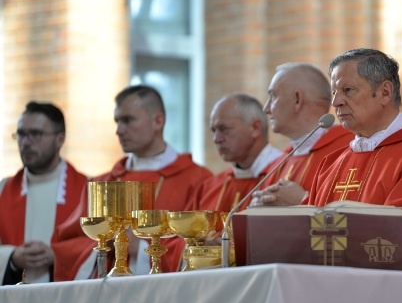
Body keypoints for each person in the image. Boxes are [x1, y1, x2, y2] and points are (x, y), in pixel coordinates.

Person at [255, 48, 402, 275]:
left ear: (385, 92)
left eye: (347, 90)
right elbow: (308, 237)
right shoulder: (334, 164)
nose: (336, 101)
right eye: (334, 92)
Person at [52, 85, 212, 280]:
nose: (119, 130)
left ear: (158, 121)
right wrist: (105, 243)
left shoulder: (198, 180)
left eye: (128, 120)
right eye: (117, 121)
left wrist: (142, 247)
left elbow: (206, 246)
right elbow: (67, 246)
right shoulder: (101, 184)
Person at [0, 102, 88, 285]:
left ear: (60, 139)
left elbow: (100, 247)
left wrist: (60, 256)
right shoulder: (3, 189)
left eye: (36, 134)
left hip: (68, 301)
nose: (25, 142)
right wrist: (12, 257)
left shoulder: (87, 188)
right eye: (22, 134)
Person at [254, 62, 353, 199]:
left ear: (297, 100)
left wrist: (302, 200)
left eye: (273, 96)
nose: (266, 109)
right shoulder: (279, 163)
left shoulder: (350, 149)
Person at [186, 93, 283, 213]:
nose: (216, 139)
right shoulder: (208, 188)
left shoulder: (286, 176)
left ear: (255, 128)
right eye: (213, 131)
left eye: (224, 129)